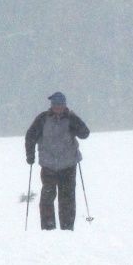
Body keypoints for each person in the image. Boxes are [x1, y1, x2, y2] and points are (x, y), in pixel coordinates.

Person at [25, 92, 90, 230]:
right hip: (48, 165)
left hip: (68, 165)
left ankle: (67, 228)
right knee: (47, 198)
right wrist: (30, 155)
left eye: (60, 105)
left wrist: (75, 119)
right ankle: (48, 228)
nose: (57, 108)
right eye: (55, 105)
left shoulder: (71, 119)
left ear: (64, 105)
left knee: (67, 199)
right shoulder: (42, 119)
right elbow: (30, 136)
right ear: (51, 106)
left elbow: (85, 133)